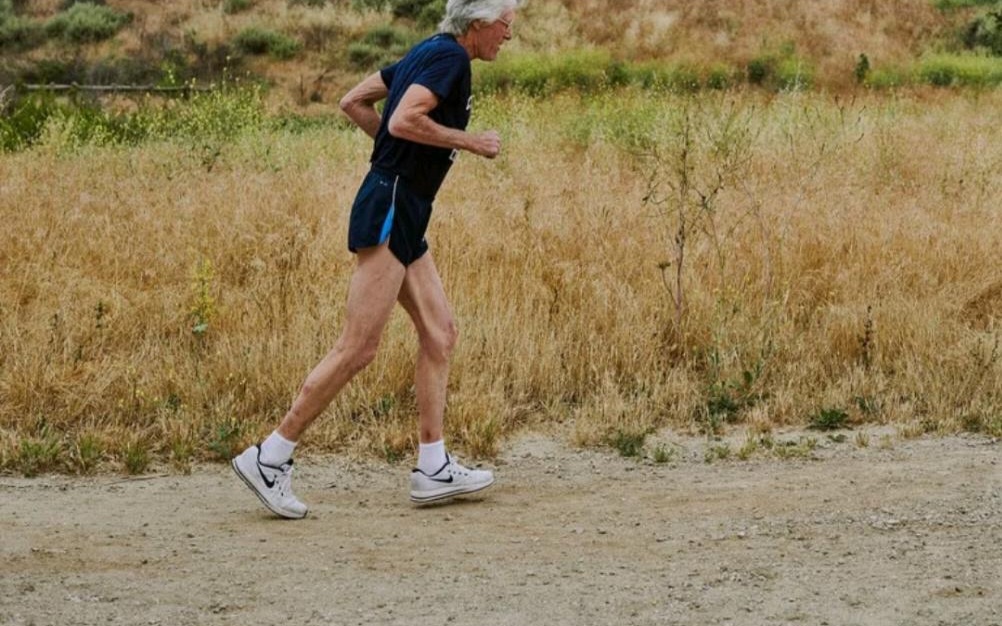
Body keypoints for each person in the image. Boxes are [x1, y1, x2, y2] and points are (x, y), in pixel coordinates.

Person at [231, 0, 521, 519]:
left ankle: (432, 467)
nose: (509, 35)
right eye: (505, 25)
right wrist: (468, 142)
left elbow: (353, 101)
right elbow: (407, 118)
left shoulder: (426, 51)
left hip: (404, 207)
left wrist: (395, 150)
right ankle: (270, 456)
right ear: (479, 24)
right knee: (358, 348)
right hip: (391, 204)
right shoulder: (449, 60)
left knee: (440, 333)